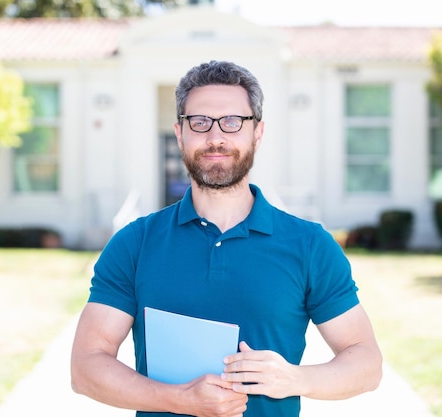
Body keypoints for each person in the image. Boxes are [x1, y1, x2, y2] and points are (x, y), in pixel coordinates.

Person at [71, 60, 382, 417]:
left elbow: (366, 363)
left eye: (233, 122)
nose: (216, 137)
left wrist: (296, 379)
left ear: (258, 133)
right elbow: (85, 368)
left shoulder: (310, 245)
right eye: (199, 122)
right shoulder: (135, 243)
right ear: (179, 134)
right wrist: (181, 399)